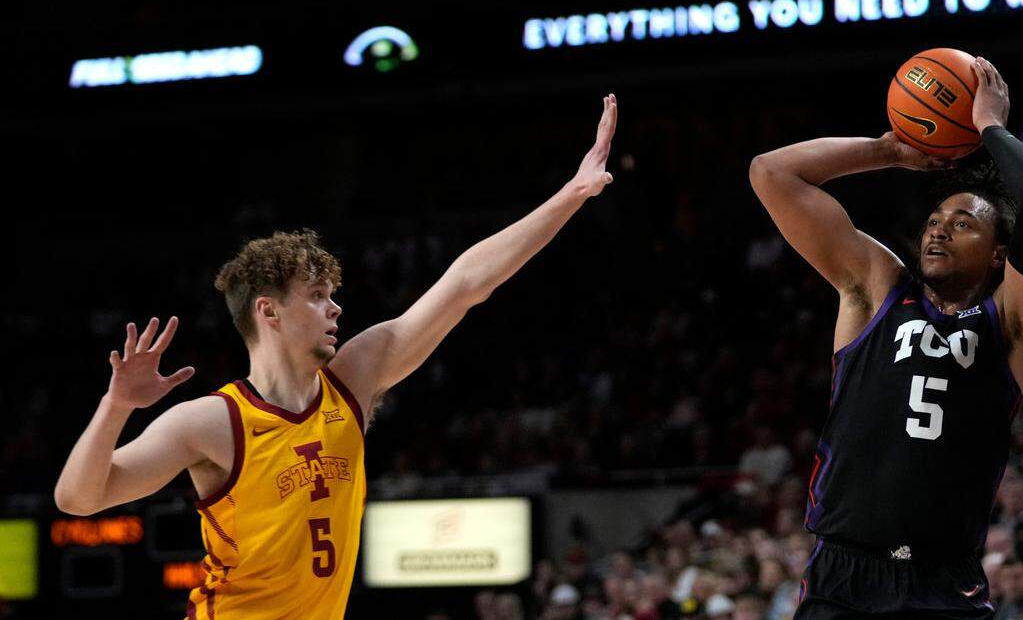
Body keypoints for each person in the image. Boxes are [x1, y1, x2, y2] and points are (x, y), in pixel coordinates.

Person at [53, 95, 620, 620]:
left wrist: (571, 194)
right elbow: (78, 499)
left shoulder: (355, 375)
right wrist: (116, 404)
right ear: (268, 312)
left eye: (333, 295)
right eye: (318, 296)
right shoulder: (211, 422)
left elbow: (466, 283)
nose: (335, 309)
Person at [748, 57, 1023, 619]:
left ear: (998, 254)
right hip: (842, 574)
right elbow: (771, 173)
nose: (939, 227)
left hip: (944, 583)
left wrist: (989, 125)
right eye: (936, 217)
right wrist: (888, 151)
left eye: (963, 222)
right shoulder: (877, 288)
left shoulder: (1010, 324)